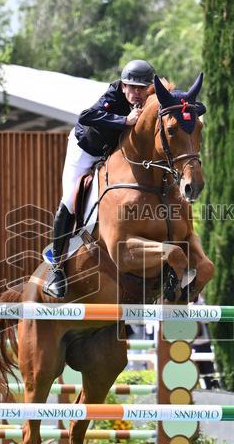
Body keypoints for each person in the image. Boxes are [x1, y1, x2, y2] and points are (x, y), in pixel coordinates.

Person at [45, 59, 155, 298]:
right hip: (85, 150)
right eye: (131, 88)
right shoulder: (113, 95)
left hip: (111, 155)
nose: (136, 94)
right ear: (123, 86)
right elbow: (86, 116)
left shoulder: (150, 99)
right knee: (70, 200)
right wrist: (124, 121)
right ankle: (56, 270)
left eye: (141, 89)